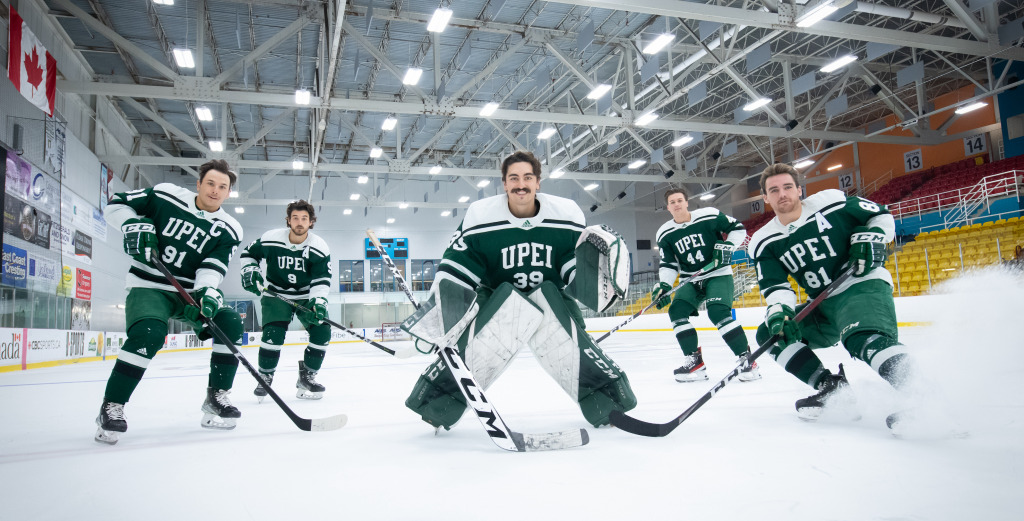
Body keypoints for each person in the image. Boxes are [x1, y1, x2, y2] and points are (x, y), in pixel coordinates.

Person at [401, 150, 637, 430]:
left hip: (552, 294)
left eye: (527, 177)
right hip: (496, 294)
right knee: (474, 349)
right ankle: (436, 405)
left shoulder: (566, 215)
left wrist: (594, 284)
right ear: (504, 184)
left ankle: (608, 403)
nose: (520, 184)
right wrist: (440, 317)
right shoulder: (480, 216)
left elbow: (571, 267)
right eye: (513, 178)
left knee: (574, 343)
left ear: (538, 182)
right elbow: (458, 269)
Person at [747, 163, 911, 430]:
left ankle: (928, 394)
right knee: (771, 335)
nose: (782, 194)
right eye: (774, 190)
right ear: (765, 197)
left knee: (863, 338)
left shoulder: (831, 202)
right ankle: (833, 389)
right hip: (823, 304)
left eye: (788, 187)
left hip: (861, 284)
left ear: (800, 190)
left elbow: (881, 215)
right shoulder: (763, 240)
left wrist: (875, 236)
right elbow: (776, 286)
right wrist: (780, 313)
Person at [95, 159, 245, 444]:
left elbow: (212, 267)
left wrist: (207, 293)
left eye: (222, 187)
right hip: (148, 283)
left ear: (228, 193)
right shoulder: (165, 195)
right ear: (198, 183)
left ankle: (216, 396)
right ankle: (112, 406)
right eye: (210, 183)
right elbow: (115, 204)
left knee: (229, 324)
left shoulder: (230, 228)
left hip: (188, 293)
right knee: (149, 334)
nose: (215, 190)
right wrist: (132, 223)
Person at [651, 187, 760, 382]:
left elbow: (737, 229)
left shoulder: (708, 215)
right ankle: (695, 364)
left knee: (717, 312)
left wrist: (728, 246)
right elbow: (668, 263)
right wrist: (664, 286)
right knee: (676, 312)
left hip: (717, 273)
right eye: (672, 202)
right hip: (690, 279)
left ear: (686, 202)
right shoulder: (664, 232)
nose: (676, 204)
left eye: (679, 200)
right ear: (668, 207)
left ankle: (748, 360)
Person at [239, 200, 333, 400]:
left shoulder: (319, 246)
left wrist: (319, 302)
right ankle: (265, 376)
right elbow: (248, 253)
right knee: (273, 334)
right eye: (295, 218)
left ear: (311, 222)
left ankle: (307, 375)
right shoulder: (270, 238)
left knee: (322, 330)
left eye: (304, 219)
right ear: (288, 220)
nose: (299, 222)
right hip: (276, 293)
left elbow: (322, 279)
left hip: (307, 295)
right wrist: (250, 269)